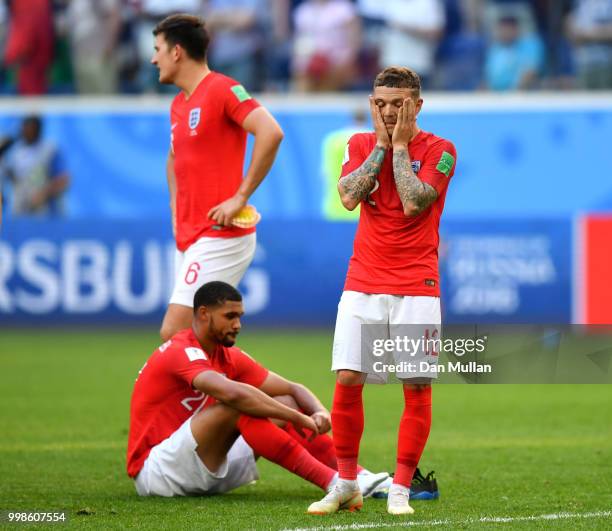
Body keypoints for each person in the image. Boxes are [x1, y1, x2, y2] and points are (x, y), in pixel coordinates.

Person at [307, 66, 456, 516]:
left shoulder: (441, 150)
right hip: (363, 280)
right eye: (380, 103)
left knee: (415, 385)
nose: (388, 112)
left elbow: (413, 201)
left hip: (417, 283)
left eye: (398, 104)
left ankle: (400, 488)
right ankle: (347, 483)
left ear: (417, 106)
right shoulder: (356, 146)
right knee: (349, 379)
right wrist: (380, 146)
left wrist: (402, 146)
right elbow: (350, 195)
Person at [127, 281, 389, 497]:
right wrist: (299, 419)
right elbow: (235, 395)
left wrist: (319, 411)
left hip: (204, 462)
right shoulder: (181, 350)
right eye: (229, 316)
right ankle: (336, 483)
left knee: (284, 401)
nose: (238, 324)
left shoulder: (226, 354)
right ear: (204, 314)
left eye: (240, 316)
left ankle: (357, 476)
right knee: (237, 405)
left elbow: (293, 388)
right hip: (158, 473)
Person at [150, 14, 284, 341]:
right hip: (192, 235)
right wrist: (175, 209)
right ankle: (270, 394)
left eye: (158, 49)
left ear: (177, 52)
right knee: (205, 342)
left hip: (221, 234)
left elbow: (270, 132)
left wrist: (240, 197)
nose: (153, 59)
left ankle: (255, 393)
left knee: (175, 332)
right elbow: (173, 157)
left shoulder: (224, 89)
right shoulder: (179, 105)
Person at [2, 116, 70, 216]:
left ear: (38, 130)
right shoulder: (15, 151)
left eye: (31, 128)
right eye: (25, 128)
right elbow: (10, 176)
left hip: (46, 211)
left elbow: (64, 179)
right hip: (21, 209)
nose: (27, 131)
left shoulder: (49, 150)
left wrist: (44, 194)